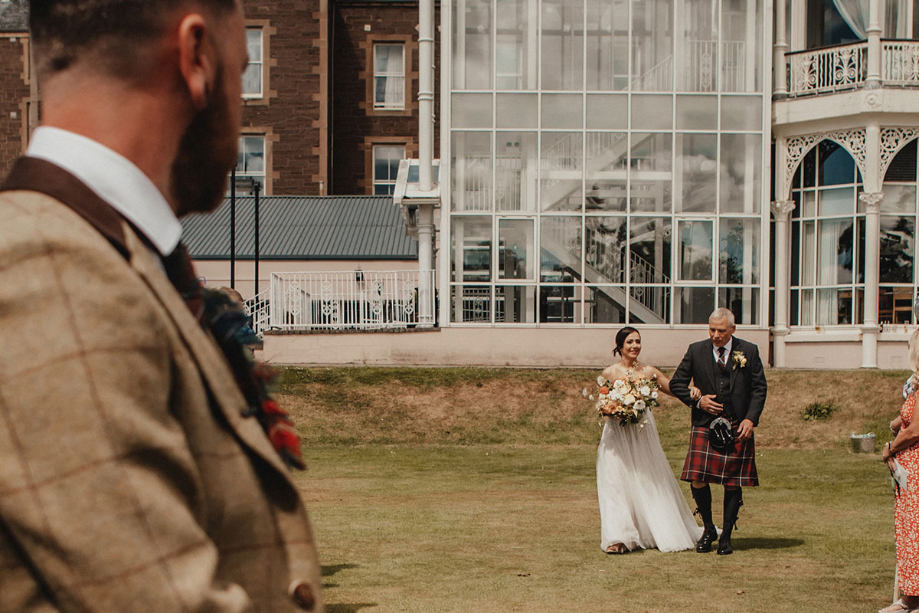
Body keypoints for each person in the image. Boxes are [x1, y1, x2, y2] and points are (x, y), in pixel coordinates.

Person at [0, 1, 322, 611]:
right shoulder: (49, 269)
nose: (242, 102)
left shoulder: (111, 256)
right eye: (243, 71)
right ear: (197, 57)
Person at [596, 326, 704, 554]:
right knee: (615, 484)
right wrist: (615, 408)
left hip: (641, 435)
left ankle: (655, 528)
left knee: (647, 480)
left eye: (638, 341)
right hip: (616, 435)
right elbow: (603, 404)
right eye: (629, 342)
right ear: (620, 346)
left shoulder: (648, 372)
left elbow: (672, 388)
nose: (635, 346)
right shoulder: (609, 373)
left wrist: (691, 391)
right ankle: (619, 537)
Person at [670, 307, 767, 556]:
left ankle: (726, 536)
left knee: (732, 483)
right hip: (705, 424)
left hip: (737, 424)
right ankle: (709, 529)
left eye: (721, 331)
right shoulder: (696, 350)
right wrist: (698, 400)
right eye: (712, 329)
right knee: (697, 478)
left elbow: (758, 388)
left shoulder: (749, 350)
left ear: (733, 329)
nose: (715, 335)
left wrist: (750, 419)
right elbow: (676, 383)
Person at [879, 331, 919, 613]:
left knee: (915, 530)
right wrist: (897, 423)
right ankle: (910, 596)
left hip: (915, 468)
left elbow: (916, 430)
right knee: (908, 529)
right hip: (908, 470)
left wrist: (890, 447)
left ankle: (914, 597)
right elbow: (910, 418)